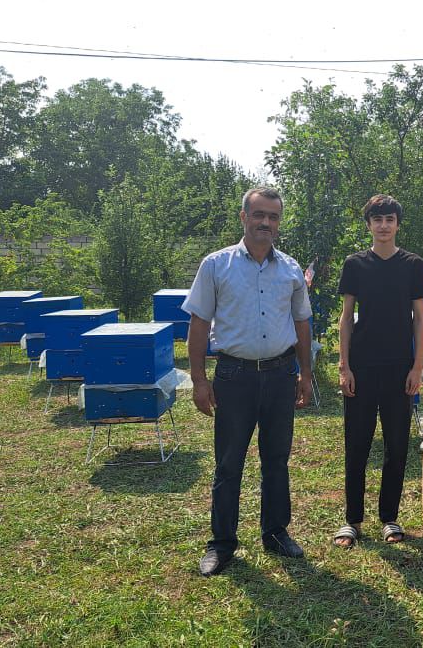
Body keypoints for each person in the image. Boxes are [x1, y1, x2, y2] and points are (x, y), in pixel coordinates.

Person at [183, 186, 313, 576]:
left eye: (273, 217)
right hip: (233, 376)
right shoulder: (216, 265)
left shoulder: (290, 269)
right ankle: (221, 544)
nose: (265, 223)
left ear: (279, 222)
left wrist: (305, 374)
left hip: (279, 374)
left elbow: (302, 323)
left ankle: (275, 533)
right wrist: (199, 380)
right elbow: (199, 322)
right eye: (259, 215)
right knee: (228, 463)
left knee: (276, 460)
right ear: (243, 217)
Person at [333, 194, 423, 548]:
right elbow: (346, 318)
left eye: (390, 219)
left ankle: (389, 517)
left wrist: (417, 365)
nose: (384, 226)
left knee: (397, 445)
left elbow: (420, 319)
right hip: (361, 366)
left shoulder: (413, 265)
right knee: (356, 444)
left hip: (399, 368)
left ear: (398, 224)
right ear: (369, 225)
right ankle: (352, 520)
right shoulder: (355, 264)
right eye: (377, 219)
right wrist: (344, 366)